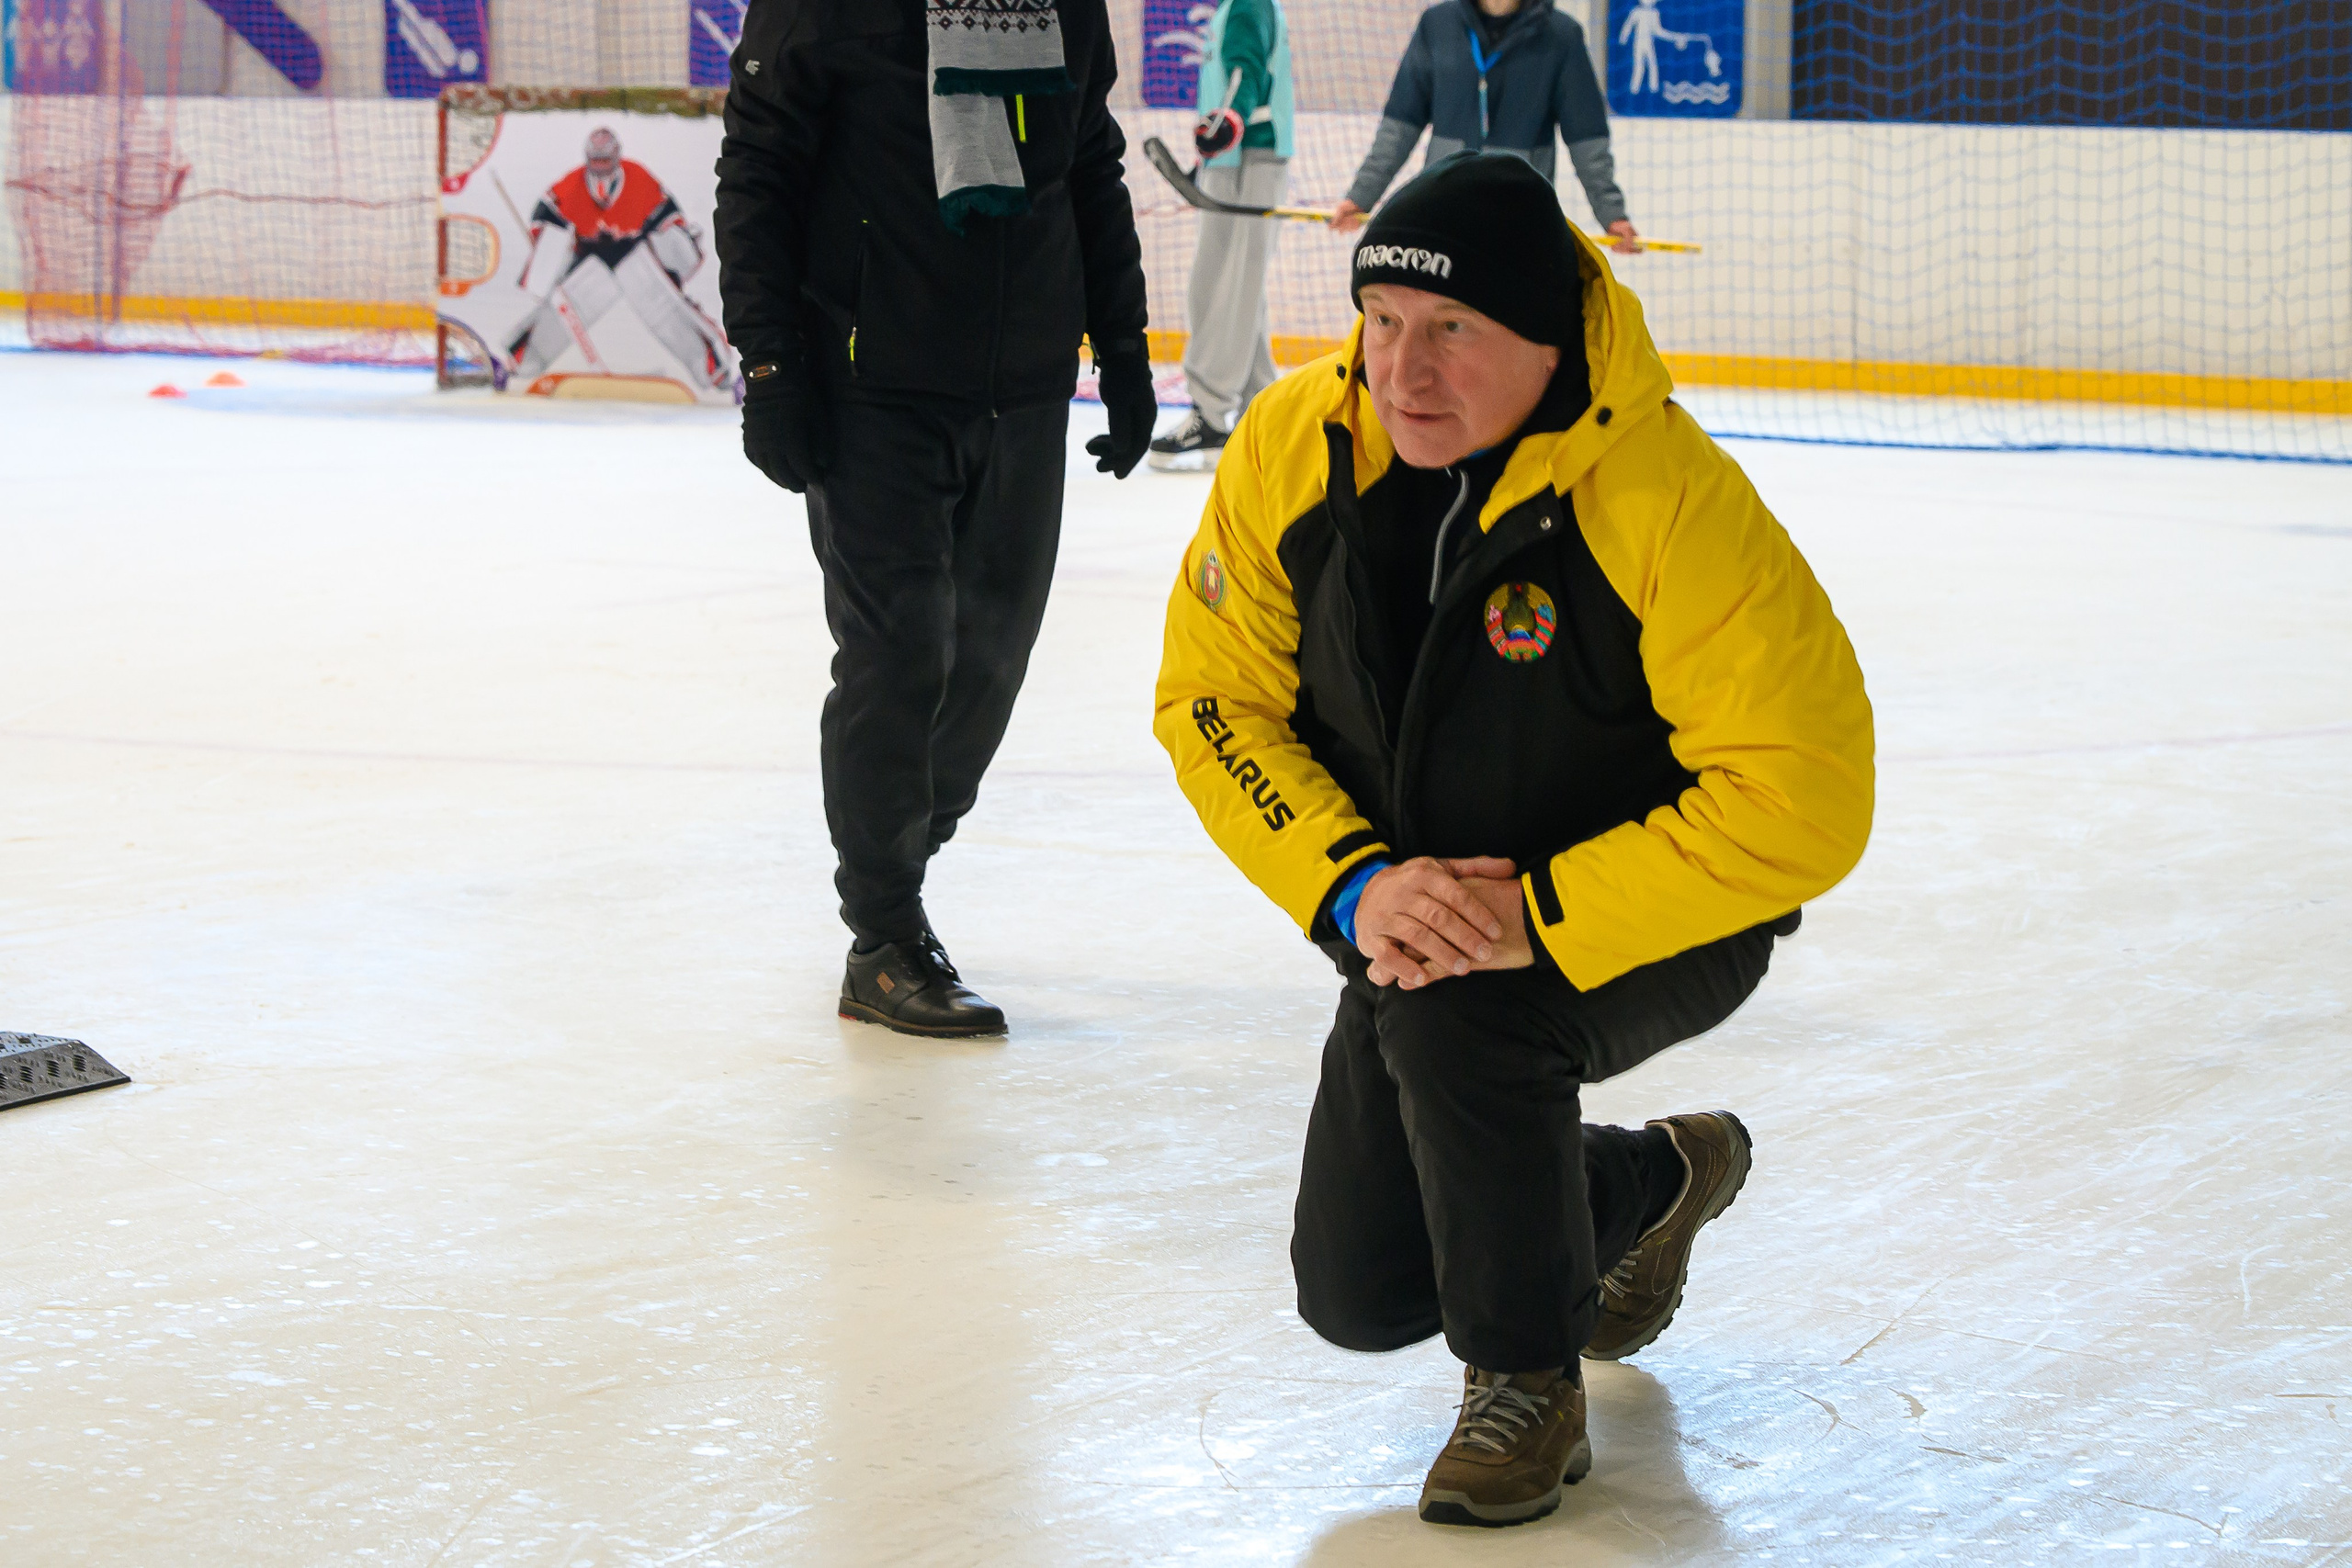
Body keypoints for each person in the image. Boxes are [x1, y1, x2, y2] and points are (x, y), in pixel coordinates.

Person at [1154, 153, 1872, 1527]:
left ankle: (1526, 1381)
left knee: (1465, 1018)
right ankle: (1650, 1178)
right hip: (1407, 915)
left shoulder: (1665, 495)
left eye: (1453, 329)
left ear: (1546, 341)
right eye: (1381, 322)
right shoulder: (1296, 444)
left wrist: (1536, 911)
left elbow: (1806, 793)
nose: (1402, 370)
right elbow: (1212, 698)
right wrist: (1355, 884)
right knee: (1362, 1289)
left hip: (1667, 906)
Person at [716, 0, 1156, 1037]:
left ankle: (901, 857)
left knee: (989, 663)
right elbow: (759, 167)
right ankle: (882, 936)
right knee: (899, 654)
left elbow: (1089, 161)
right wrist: (770, 364)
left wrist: (1124, 346)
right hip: (872, 381)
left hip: (1026, 380)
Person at [1329, 0, 1642, 254]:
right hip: (1441, 208)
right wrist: (1361, 196)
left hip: (1520, 214)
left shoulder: (1561, 35)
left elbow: (1586, 137)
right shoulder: (1437, 25)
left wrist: (1611, 215)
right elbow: (1400, 126)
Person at [1146, 0, 1293, 471]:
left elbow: (1244, 73)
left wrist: (1227, 124)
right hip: (1234, 160)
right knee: (1236, 290)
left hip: (1250, 159)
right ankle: (1263, 411)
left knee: (1223, 288)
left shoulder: (1249, 4)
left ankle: (1210, 416)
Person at [507, 128, 732, 391]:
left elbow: (671, 219)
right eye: (595, 160)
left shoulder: (639, 178)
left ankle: (713, 370)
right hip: (588, 258)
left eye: (605, 160)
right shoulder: (571, 185)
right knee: (565, 308)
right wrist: (547, 256)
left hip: (635, 256)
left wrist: (674, 263)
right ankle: (521, 363)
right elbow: (543, 221)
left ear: (617, 156)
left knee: (664, 307)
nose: (600, 167)